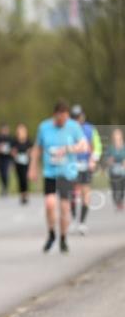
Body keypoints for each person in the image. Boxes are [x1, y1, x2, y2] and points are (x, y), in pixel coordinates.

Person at [29, 100, 88, 254]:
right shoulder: (44, 127)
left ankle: (63, 238)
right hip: (50, 172)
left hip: (66, 173)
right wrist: (33, 167)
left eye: (65, 119)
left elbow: (84, 146)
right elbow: (37, 148)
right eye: (60, 119)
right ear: (55, 115)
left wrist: (68, 149)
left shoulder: (73, 127)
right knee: (49, 204)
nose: (63, 122)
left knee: (64, 207)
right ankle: (51, 234)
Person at [69, 105, 102, 234]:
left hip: (86, 164)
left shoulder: (90, 129)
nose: (77, 120)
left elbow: (97, 146)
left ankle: (82, 222)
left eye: (79, 117)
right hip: (72, 165)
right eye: (74, 117)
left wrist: (93, 159)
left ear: (83, 116)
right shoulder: (68, 129)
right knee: (72, 193)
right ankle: (72, 219)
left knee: (86, 193)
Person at [103, 127, 125, 211]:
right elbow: (106, 158)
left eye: (118, 136)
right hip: (113, 171)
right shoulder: (110, 148)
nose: (117, 138)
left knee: (122, 187)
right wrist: (110, 160)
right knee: (115, 188)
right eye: (115, 136)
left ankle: (120, 201)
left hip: (123, 171)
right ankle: (117, 202)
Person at [12, 123, 33, 205]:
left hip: (26, 162)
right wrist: (14, 153)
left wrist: (29, 152)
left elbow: (32, 149)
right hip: (18, 163)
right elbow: (12, 150)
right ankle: (22, 195)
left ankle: (26, 194)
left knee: (25, 178)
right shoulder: (15, 141)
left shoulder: (28, 141)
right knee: (20, 179)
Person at [0, 123, 14, 197]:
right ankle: (2, 186)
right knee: (1, 174)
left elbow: (14, 149)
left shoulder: (10, 138)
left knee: (6, 173)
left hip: (7, 159)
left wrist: (10, 151)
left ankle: (5, 188)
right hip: (0, 158)